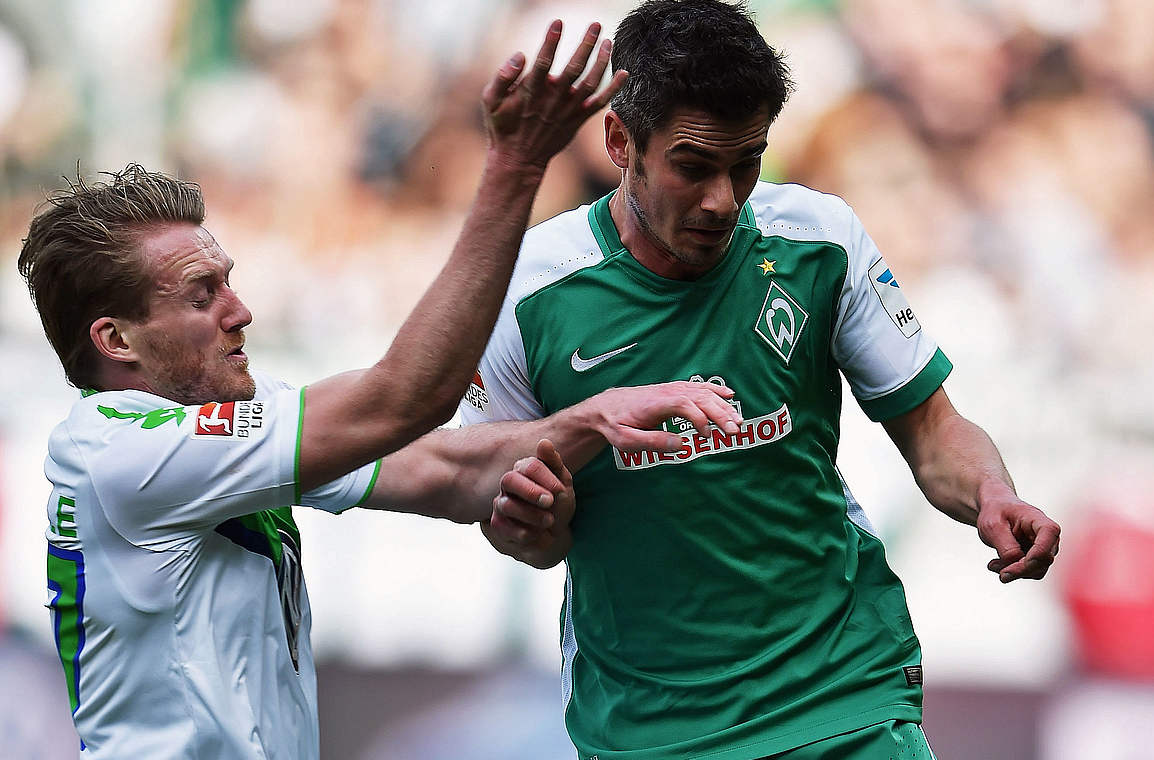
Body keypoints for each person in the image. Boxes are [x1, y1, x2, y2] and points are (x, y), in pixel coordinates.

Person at [17, 22, 739, 759]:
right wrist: (515, 168)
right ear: (116, 341)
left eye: (229, 280)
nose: (241, 310)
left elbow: (445, 469)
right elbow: (403, 399)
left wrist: (600, 424)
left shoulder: (215, 428)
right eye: (202, 295)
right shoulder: (121, 451)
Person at [455, 2, 1063, 758]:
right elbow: (517, 520)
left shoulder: (818, 240)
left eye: (747, 162)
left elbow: (933, 429)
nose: (722, 198)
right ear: (620, 142)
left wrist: (992, 494)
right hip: (652, 721)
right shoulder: (526, 292)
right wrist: (527, 525)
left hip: (841, 690)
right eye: (693, 165)